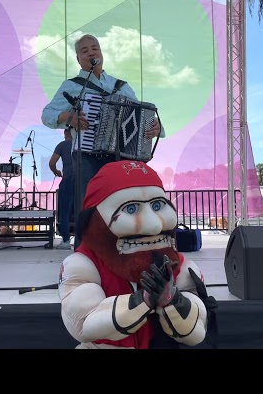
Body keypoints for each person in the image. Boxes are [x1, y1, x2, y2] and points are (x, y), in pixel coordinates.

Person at [58, 160, 215, 349]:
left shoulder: (181, 267)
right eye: (131, 209)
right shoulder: (82, 265)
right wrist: (142, 300)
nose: (154, 225)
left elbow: (196, 331)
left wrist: (174, 301)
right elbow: (84, 324)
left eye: (157, 206)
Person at [41, 34, 164, 248]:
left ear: (101, 53)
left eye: (94, 48)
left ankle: (118, 251)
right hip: (86, 155)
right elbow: (47, 114)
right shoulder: (71, 86)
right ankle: (84, 254)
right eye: (85, 50)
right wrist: (69, 118)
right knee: (88, 206)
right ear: (78, 59)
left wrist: (157, 127)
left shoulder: (120, 86)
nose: (91, 52)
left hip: (119, 157)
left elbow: (142, 114)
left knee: (120, 203)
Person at [49, 128, 74, 250]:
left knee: (65, 211)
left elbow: (52, 163)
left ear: (65, 134)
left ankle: (65, 241)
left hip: (68, 180)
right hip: (82, 180)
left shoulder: (62, 145)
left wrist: (57, 172)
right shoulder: (81, 145)